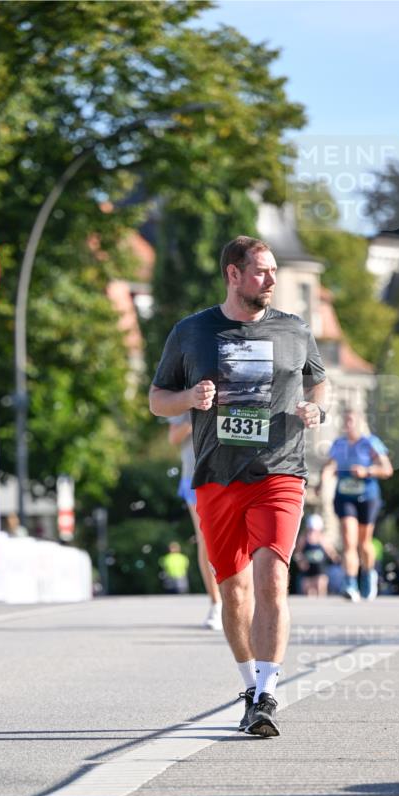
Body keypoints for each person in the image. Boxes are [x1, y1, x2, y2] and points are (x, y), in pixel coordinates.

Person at [149, 235, 326, 738]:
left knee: (272, 576)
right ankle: (248, 685)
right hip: (216, 478)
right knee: (235, 590)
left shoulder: (294, 330)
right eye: (262, 271)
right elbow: (156, 400)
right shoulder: (192, 332)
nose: (272, 280)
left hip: (280, 471)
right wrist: (189, 396)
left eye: (274, 271)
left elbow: (318, 379)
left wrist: (317, 408)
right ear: (233, 274)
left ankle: (268, 691)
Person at [319, 409, 393, 602]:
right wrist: (323, 481)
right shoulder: (339, 444)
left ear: (360, 423)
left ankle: (369, 574)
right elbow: (330, 466)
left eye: (351, 420)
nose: (348, 424)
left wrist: (367, 471)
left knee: (364, 542)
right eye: (346, 420)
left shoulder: (370, 443)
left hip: (367, 497)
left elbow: (387, 470)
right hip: (344, 497)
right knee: (348, 540)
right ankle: (350, 583)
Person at [168, 413, 222, 629]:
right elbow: (173, 437)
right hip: (196, 474)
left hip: (236, 471)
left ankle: (243, 599)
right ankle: (216, 603)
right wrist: (198, 413)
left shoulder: (241, 383)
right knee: (206, 538)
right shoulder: (190, 387)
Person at [294, 513, 338, 597]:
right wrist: (300, 562)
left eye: (314, 530)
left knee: (320, 587)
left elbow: (331, 552)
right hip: (307, 570)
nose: (312, 532)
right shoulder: (303, 539)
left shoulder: (323, 539)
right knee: (309, 592)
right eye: (311, 529)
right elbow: (297, 553)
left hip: (320, 570)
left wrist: (335, 559)